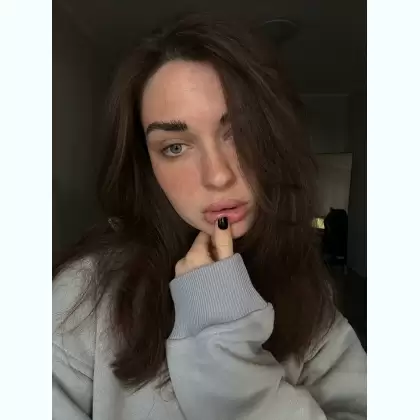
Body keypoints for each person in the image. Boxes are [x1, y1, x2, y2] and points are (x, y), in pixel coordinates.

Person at [52, 14, 367, 420]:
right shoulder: (81, 298)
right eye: (175, 147)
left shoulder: (309, 296)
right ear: (147, 166)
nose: (217, 176)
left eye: (237, 134)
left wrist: (226, 357)